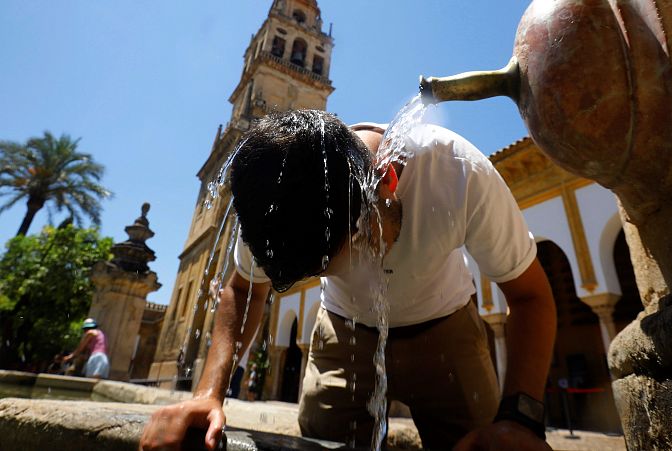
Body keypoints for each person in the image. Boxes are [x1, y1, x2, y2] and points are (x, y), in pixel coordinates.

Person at [140, 110, 556, 451]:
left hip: (447, 329)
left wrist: (520, 419)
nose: (355, 273)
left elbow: (530, 296)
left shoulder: (456, 172)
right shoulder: (279, 195)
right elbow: (245, 288)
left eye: (355, 250)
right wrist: (208, 394)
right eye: (323, 272)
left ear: (387, 183)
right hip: (343, 330)